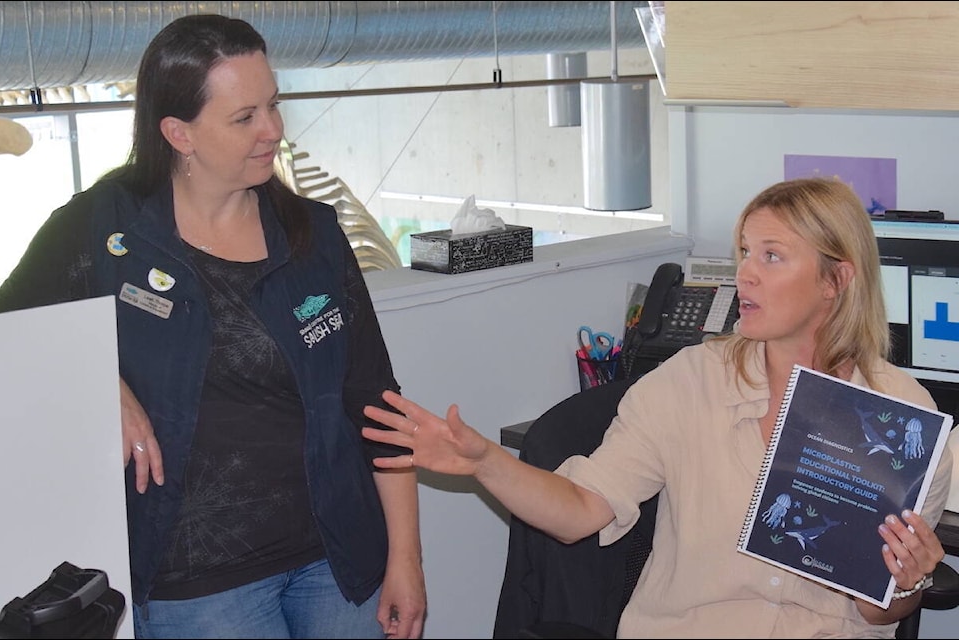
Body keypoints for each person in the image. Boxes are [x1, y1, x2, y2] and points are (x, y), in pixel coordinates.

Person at [362, 177, 955, 638]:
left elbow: (881, 613)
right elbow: (580, 509)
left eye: (772, 256)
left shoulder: (901, 416)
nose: (744, 273)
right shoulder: (689, 383)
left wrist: (909, 580)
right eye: (745, 251)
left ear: (835, 280)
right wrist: (484, 462)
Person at [0, 14, 425, 640]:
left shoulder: (314, 235)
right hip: (195, 583)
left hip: (337, 563)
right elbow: (13, 331)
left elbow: (378, 404)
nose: (273, 130)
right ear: (179, 133)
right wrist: (100, 384)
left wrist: (405, 560)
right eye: (244, 116)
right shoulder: (104, 228)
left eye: (273, 105)